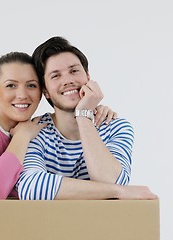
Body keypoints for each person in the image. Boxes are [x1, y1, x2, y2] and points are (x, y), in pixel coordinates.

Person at [0, 51, 117, 239]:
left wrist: (89, 112)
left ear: (42, 92)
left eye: (31, 85)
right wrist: (22, 136)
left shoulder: (33, 129)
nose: (22, 95)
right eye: (11, 86)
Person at [16, 36, 158, 200]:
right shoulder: (34, 131)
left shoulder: (116, 127)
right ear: (45, 91)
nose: (68, 80)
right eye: (55, 76)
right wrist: (118, 191)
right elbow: (31, 187)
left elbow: (112, 180)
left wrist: (83, 115)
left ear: (88, 77)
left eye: (74, 71)